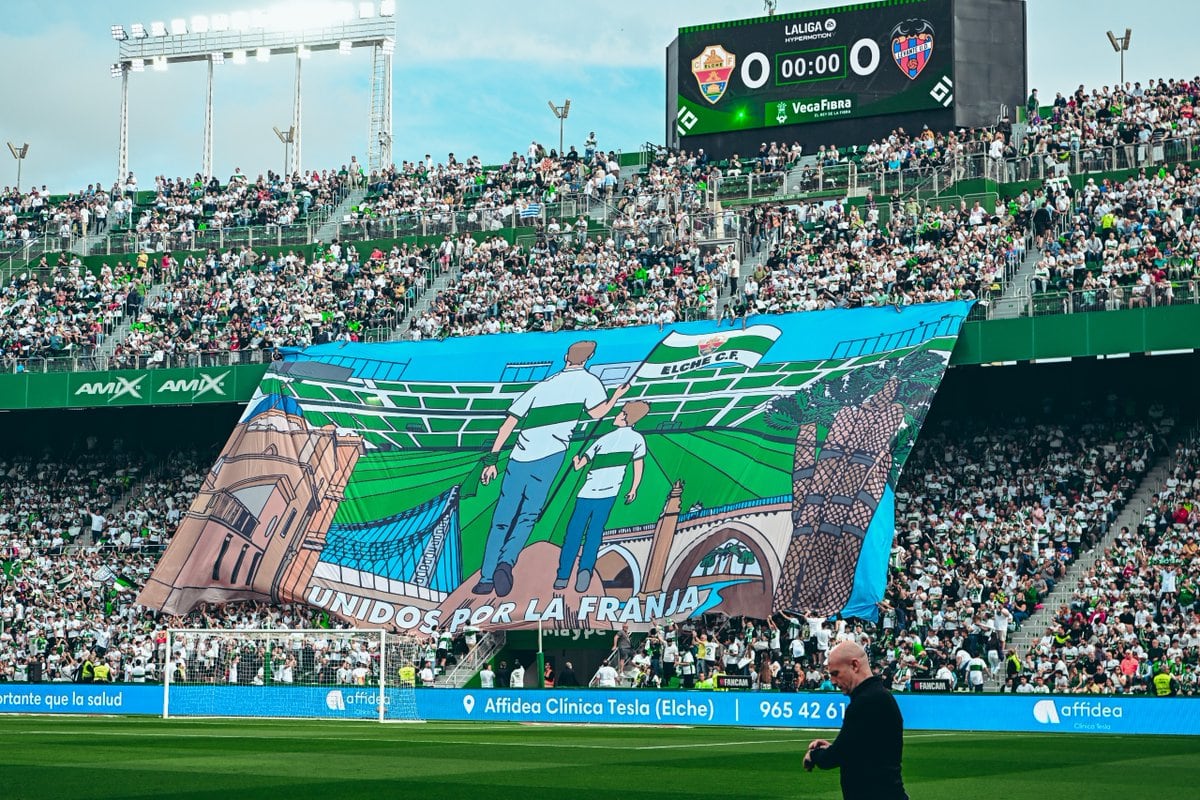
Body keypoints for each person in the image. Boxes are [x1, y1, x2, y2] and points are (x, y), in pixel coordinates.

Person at [473, 340, 629, 597]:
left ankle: (487, 578)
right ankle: (506, 561)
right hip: (550, 458)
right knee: (527, 516)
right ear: (588, 359)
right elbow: (597, 413)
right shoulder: (590, 383)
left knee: (502, 519)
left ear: (566, 357)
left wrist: (491, 462)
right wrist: (616, 396)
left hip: (519, 458)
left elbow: (508, 425)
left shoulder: (542, 386)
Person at [555, 400, 648, 591]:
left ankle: (563, 576)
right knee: (593, 535)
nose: (616, 415)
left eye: (620, 413)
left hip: (587, 494)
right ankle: (585, 571)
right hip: (608, 495)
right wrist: (634, 488)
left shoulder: (603, 439)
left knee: (574, 534)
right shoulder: (637, 439)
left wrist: (576, 460)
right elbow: (638, 466)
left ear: (626, 417)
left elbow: (580, 465)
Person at [804, 641, 908, 800]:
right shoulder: (879, 696)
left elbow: (833, 758)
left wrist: (814, 755)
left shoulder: (866, 701)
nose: (832, 681)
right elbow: (865, 751)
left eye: (835, 673)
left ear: (854, 665)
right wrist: (834, 748)